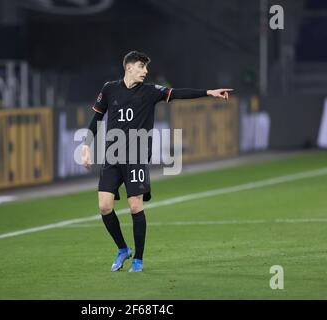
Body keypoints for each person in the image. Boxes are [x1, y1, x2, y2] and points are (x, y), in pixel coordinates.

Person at [81, 50, 232, 272]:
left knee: (134, 206)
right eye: (142, 67)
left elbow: (178, 93)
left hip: (136, 157)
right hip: (112, 157)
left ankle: (139, 259)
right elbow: (97, 118)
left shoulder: (150, 92)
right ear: (129, 67)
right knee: (104, 207)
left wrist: (208, 92)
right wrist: (86, 145)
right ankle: (123, 249)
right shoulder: (109, 89)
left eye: (146, 67)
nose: (146, 71)